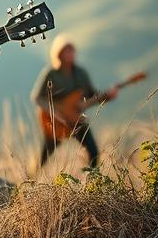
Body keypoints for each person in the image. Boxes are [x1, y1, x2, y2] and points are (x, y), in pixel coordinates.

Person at [31, 34, 117, 169]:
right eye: (67, 51)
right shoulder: (51, 74)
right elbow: (37, 97)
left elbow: (92, 95)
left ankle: (91, 181)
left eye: (72, 51)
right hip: (55, 123)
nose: (70, 54)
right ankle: (30, 181)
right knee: (44, 157)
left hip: (76, 119)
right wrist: (54, 112)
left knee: (93, 152)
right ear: (58, 53)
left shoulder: (81, 73)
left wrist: (107, 96)